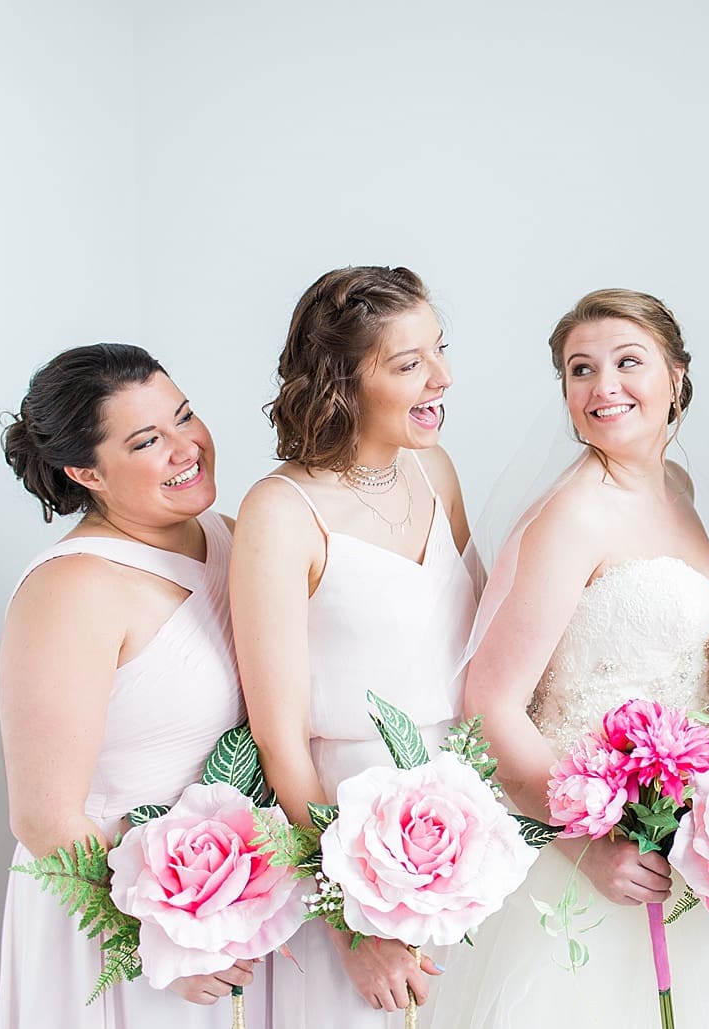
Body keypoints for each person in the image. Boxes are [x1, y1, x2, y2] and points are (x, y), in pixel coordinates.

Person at [429, 289, 709, 1029]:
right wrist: (591, 846)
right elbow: (491, 703)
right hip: (598, 864)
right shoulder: (573, 514)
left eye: (626, 361)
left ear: (676, 374)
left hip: (692, 854)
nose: (602, 386)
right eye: (580, 370)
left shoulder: (678, 491)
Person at [230, 266, 476, 1027]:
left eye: (439, 349)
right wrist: (351, 923)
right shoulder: (280, 511)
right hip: (348, 835)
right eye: (408, 364)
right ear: (341, 381)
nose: (442, 377)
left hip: (470, 827)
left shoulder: (434, 469)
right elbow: (278, 739)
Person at [0, 343, 258, 1027]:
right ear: (86, 470)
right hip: (120, 926)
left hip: (231, 910)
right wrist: (160, 940)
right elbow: (45, 816)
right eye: (146, 440)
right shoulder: (73, 587)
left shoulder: (230, 536)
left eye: (185, 416)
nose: (186, 447)